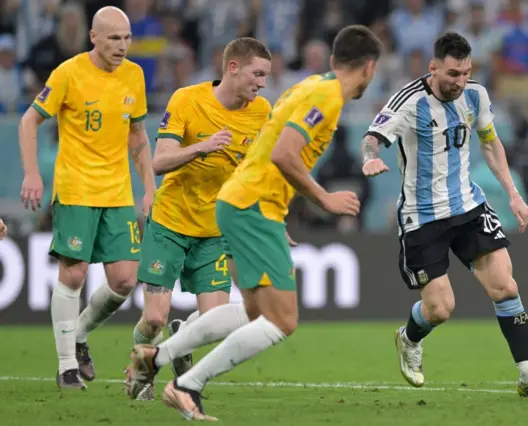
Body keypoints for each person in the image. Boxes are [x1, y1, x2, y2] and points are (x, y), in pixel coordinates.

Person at [125, 25, 382, 420]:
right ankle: (186, 384)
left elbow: (265, 148)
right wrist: (323, 197)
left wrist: (277, 217)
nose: (262, 83)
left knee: (253, 313)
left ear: (332, 61)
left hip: (237, 203)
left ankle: (156, 356)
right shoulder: (327, 98)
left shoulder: (310, 86)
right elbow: (283, 153)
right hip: (252, 206)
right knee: (283, 321)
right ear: (370, 68)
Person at [360, 32, 528, 396]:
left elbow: (489, 142)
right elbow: (372, 136)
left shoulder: (476, 95)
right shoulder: (408, 102)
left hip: (468, 206)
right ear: (433, 67)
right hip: (423, 218)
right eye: (453, 74)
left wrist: (514, 195)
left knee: (505, 286)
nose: (460, 82)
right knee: (440, 308)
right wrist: (370, 157)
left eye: (466, 72)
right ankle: (409, 337)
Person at [18, 6, 156, 390]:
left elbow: (138, 137)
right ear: (93, 37)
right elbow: (29, 119)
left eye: (127, 38)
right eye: (114, 38)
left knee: (126, 281)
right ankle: (66, 366)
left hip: (117, 191)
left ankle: (77, 335)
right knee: (74, 273)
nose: (123, 46)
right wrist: (32, 173)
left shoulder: (134, 75)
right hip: (76, 186)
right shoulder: (69, 73)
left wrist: (149, 187)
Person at [130, 37, 272, 400]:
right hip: (171, 223)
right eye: (257, 74)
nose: (262, 83)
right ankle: (141, 366)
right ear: (233, 68)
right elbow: (158, 162)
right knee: (153, 320)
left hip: (214, 231)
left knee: (216, 323)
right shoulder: (187, 99)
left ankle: (176, 342)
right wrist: (202, 147)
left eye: (266, 76)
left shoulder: (261, 112)